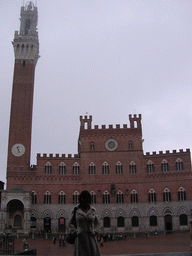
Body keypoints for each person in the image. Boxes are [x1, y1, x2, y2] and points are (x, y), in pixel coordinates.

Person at [69, 190, 101, 256]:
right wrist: (75, 231)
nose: (85, 200)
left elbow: (97, 223)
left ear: (89, 199)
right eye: (83, 198)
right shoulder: (76, 210)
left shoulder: (92, 210)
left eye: (87, 198)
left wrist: (95, 232)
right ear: (80, 199)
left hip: (91, 238)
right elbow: (70, 223)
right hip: (80, 238)